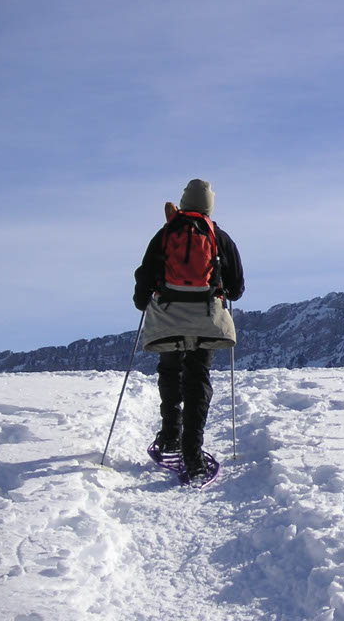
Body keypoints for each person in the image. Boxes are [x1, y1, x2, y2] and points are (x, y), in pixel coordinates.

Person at [133, 179, 244, 481]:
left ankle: (169, 435)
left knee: (169, 371)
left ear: (183, 202)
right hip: (205, 321)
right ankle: (192, 455)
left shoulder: (166, 233)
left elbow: (145, 276)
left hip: (168, 317)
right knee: (198, 379)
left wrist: (142, 301)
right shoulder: (219, 237)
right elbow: (236, 289)